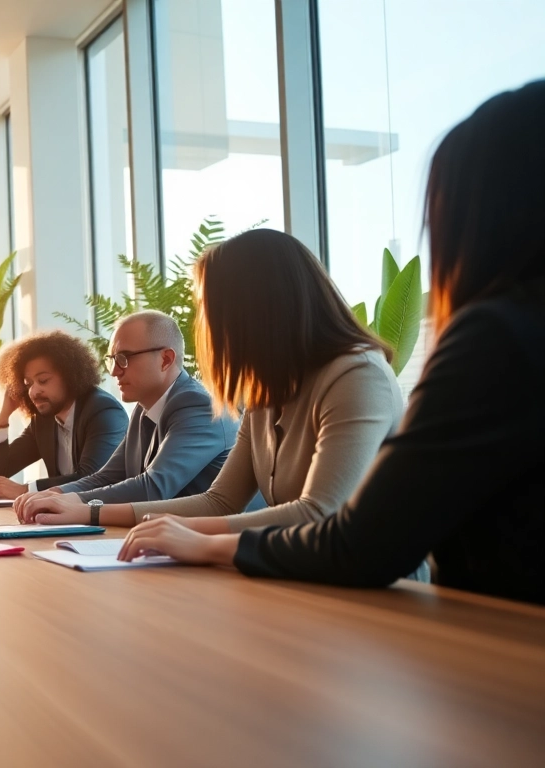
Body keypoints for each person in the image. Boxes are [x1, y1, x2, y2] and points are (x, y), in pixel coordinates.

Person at [119, 81, 545, 605]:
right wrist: (98, 516)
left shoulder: (484, 343)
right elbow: (221, 499)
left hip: (429, 624)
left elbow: (350, 533)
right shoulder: (266, 392)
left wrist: (207, 546)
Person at [19, 228, 403, 532]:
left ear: (256, 309)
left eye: (210, 308)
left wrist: (196, 543)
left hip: (372, 598)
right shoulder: (267, 394)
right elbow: (219, 500)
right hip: (296, 578)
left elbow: (318, 514)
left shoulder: (358, 376)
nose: (206, 324)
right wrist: (90, 514)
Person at [12, 310, 252, 516]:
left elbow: (154, 488)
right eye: (112, 360)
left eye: (124, 358)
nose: (115, 371)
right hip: (168, 539)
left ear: (166, 359)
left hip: (224, 550)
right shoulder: (143, 408)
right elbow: (106, 476)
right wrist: (54, 493)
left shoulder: (198, 405)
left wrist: (74, 504)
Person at [0, 330, 128, 499]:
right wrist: (2, 419)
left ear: (69, 375)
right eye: (28, 384)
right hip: (63, 519)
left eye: (43, 380)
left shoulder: (104, 411)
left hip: (106, 518)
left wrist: (26, 490)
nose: (34, 391)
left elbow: (91, 478)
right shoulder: (43, 421)